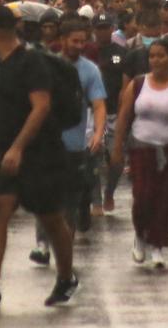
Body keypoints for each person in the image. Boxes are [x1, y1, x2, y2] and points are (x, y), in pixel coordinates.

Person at [0, 5, 78, 310]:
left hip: (39, 151)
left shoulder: (31, 62)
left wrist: (18, 147)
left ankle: (66, 277)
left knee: (50, 217)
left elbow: (41, 107)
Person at [113, 37, 168, 269]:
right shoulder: (138, 84)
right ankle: (140, 236)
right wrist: (117, 147)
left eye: (161, 56)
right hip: (142, 148)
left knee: (166, 198)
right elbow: (124, 116)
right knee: (142, 195)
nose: (156, 60)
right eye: (152, 56)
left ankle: (158, 245)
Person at [30, 18, 106, 263]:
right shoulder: (46, 65)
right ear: (62, 41)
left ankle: (66, 248)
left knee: (71, 201)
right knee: (45, 196)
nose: (79, 45)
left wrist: (98, 133)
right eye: (74, 41)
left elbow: (98, 104)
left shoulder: (90, 70)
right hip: (46, 143)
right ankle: (42, 244)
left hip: (76, 146)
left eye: (83, 41)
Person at [86, 12, 129, 214]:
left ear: (112, 28)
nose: (103, 31)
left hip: (114, 111)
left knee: (116, 158)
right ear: (93, 30)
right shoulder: (87, 52)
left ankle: (110, 191)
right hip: (91, 111)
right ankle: (95, 200)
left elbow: (126, 82)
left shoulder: (121, 51)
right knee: (92, 156)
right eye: (99, 28)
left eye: (106, 27)